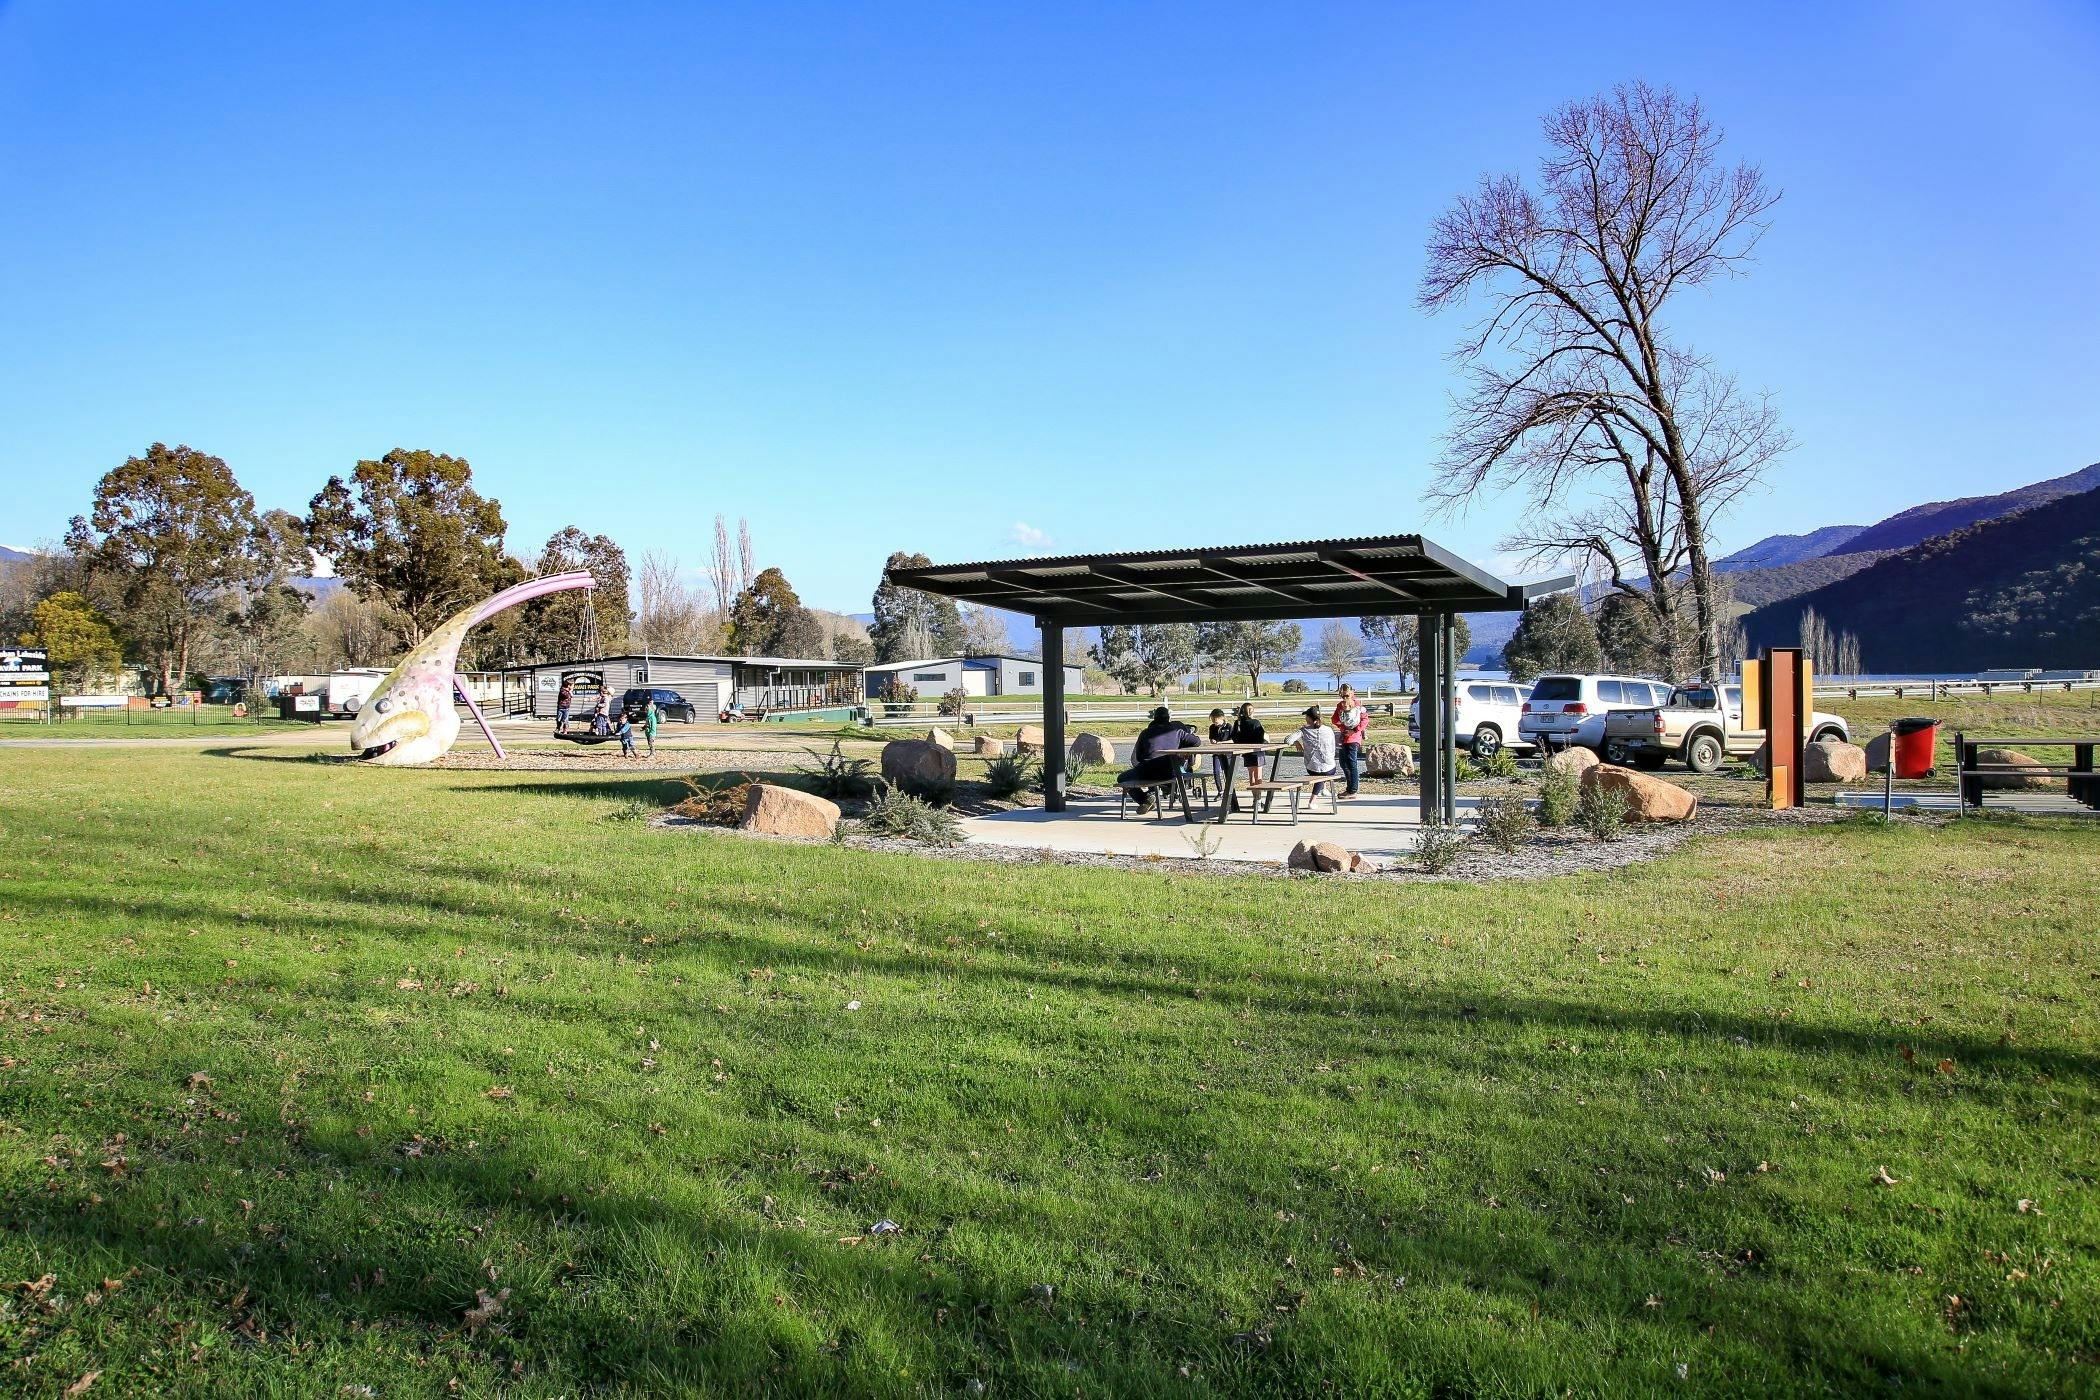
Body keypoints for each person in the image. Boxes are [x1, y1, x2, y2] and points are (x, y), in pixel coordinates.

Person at [1116, 706, 1198, 810]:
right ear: (1168, 718)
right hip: (1169, 772)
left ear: (1154, 718)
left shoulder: (1145, 732)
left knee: (1122, 778)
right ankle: (1149, 798)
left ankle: (1145, 799)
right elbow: (1196, 742)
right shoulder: (1177, 732)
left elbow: (1139, 757)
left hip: (1147, 771)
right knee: (1174, 773)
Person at [1332, 683, 1369, 799]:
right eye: (1342, 696)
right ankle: (1350, 788)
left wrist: (1354, 730)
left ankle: (1353, 790)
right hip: (1344, 737)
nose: (1344, 698)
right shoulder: (1340, 705)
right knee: (1343, 763)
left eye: (1347, 695)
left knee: (1351, 763)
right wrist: (1343, 728)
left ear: (1352, 693)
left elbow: (1365, 720)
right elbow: (1334, 719)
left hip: (1353, 738)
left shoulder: (1357, 705)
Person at [1294, 705, 1340, 797]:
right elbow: (1332, 748)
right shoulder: (1328, 730)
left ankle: (1315, 798)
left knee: (1319, 770)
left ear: (1309, 718)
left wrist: (1296, 742)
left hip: (1312, 768)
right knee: (1324, 766)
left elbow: (1287, 739)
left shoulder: (1304, 730)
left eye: (1306, 716)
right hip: (1330, 768)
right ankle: (1320, 792)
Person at [1231, 701, 1268, 812]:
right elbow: (1260, 737)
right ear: (1252, 711)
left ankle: (1254, 798)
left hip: (1246, 752)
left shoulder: (1238, 723)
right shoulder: (1255, 722)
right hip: (1257, 751)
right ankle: (1258, 800)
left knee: (1251, 777)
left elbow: (1234, 738)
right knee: (1259, 778)